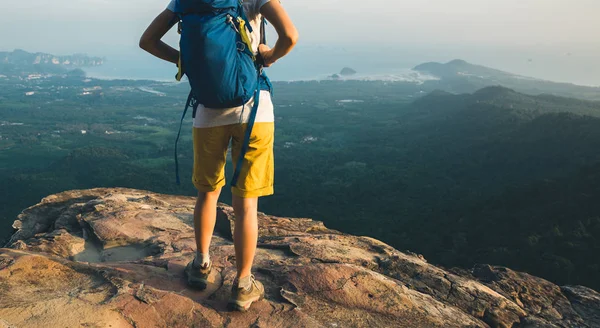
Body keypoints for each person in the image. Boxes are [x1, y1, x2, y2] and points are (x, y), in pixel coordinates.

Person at [139, 0, 298, 312]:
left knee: (207, 194)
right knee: (246, 204)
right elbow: (290, 36)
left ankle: (200, 264)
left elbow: (147, 41)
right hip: (255, 110)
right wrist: (269, 56)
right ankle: (242, 283)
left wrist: (182, 60)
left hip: (208, 111)